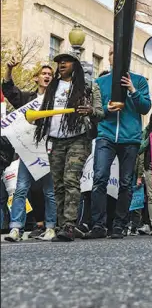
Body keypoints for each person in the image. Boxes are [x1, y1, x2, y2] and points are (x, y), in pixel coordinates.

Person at [32, 53, 103, 242]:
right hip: (55, 140)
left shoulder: (88, 87)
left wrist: (90, 111)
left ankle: (70, 225)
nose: (61, 64)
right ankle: (63, 225)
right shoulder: (52, 86)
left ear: (76, 65)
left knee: (71, 179)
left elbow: (100, 112)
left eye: (66, 61)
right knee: (58, 184)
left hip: (78, 139)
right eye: (59, 62)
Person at [85, 49, 151, 240]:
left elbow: (145, 107)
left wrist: (132, 90)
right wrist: (107, 108)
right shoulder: (100, 82)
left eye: (121, 52)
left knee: (125, 183)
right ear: (109, 57)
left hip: (130, 138)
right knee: (99, 178)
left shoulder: (139, 80)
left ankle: (119, 225)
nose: (117, 56)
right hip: (106, 135)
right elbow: (95, 112)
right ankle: (98, 225)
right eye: (114, 52)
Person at [3, 62, 57, 242]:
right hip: (29, 150)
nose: (47, 76)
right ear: (36, 78)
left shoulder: (57, 99)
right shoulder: (28, 99)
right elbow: (9, 90)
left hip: (50, 149)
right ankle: (16, 228)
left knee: (49, 191)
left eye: (50, 73)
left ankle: (50, 227)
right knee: (21, 189)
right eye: (44, 73)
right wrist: (10, 69)